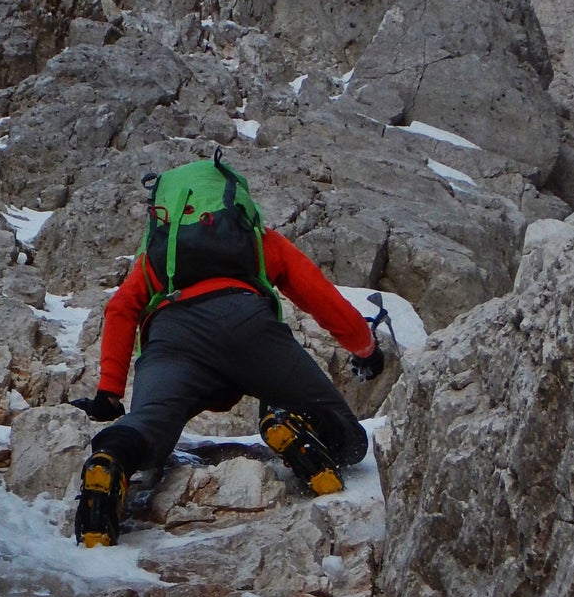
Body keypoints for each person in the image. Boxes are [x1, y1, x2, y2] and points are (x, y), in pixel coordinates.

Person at [71, 153, 385, 545]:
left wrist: (108, 394)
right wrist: (366, 348)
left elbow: (120, 309)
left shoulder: (158, 256)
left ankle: (112, 459)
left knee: (149, 424)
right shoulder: (255, 240)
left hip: (173, 338)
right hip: (249, 328)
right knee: (347, 438)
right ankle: (290, 420)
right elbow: (318, 294)